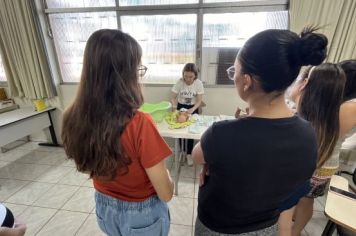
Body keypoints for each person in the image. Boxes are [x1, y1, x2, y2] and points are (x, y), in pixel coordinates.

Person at [192, 27, 328, 235]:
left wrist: (212, 162)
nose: (233, 76)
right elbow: (292, 187)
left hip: (218, 228)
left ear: (246, 81)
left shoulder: (221, 133)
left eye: (234, 71)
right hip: (266, 227)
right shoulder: (308, 135)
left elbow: (196, 155)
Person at [61, 29, 174, 236]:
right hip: (142, 215)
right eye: (138, 69)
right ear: (126, 74)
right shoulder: (140, 124)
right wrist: (168, 175)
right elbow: (166, 193)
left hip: (105, 208)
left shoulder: (73, 116)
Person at [282, 63, 346, 236]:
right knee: (307, 201)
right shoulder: (330, 111)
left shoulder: (302, 117)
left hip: (310, 167)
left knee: (288, 205)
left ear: (304, 84)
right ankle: (296, 232)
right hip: (327, 166)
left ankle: (287, 232)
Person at [171, 63, 204, 166]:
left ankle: (189, 153)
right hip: (181, 107)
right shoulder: (180, 82)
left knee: (190, 132)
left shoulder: (198, 83)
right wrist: (174, 108)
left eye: (191, 77)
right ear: (183, 75)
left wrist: (192, 109)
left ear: (195, 76)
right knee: (180, 131)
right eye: (186, 76)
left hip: (193, 108)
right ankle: (183, 152)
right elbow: (173, 97)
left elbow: (199, 100)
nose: (188, 79)